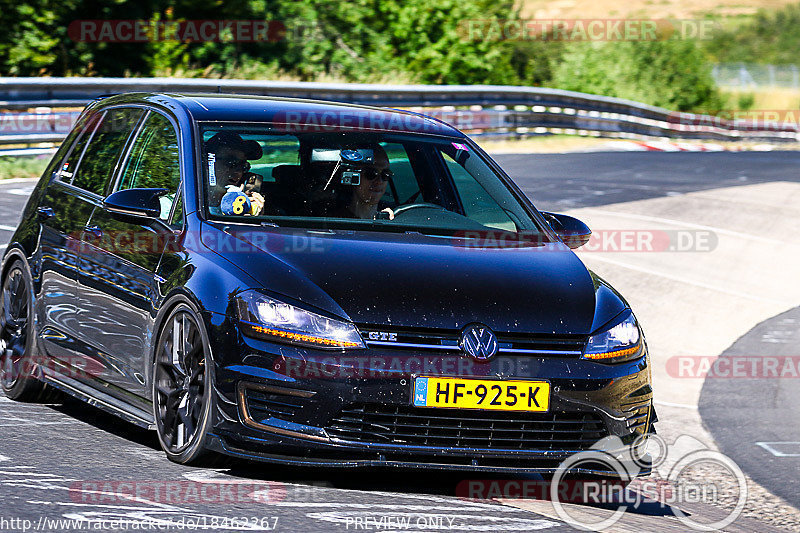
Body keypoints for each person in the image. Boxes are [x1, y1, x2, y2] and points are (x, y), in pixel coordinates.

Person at [205, 132, 266, 215]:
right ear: (209, 163)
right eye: (231, 162)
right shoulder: (191, 198)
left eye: (243, 166)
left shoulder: (243, 201)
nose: (238, 171)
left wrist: (253, 217)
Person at [331, 145, 393, 219]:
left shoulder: (398, 217)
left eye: (385, 174)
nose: (379, 181)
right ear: (352, 176)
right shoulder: (334, 221)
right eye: (371, 173)